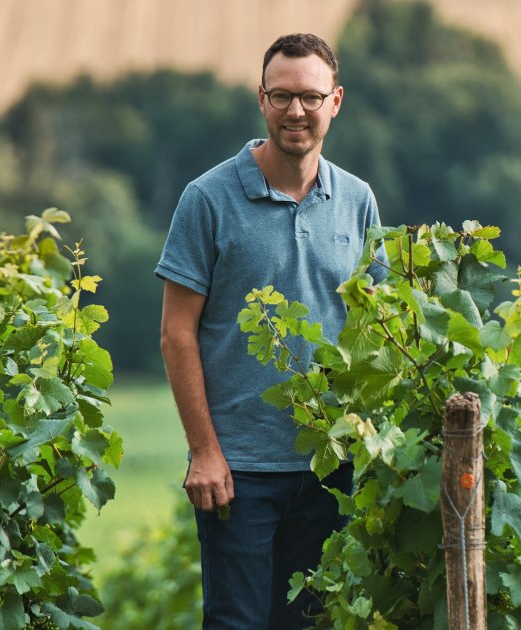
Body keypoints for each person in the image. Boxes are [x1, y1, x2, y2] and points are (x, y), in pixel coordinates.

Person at [155, 33, 386, 628]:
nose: (295, 111)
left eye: (310, 97)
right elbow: (177, 334)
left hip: (330, 465)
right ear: (261, 100)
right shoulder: (206, 198)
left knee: (312, 623)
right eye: (281, 96)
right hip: (239, 470)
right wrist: (205, 452)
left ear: (336, 101)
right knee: (237, 622)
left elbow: (378, 329)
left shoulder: (357, 200)